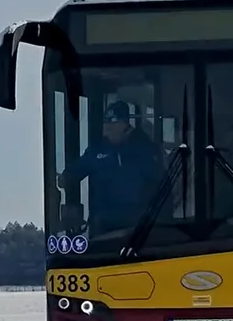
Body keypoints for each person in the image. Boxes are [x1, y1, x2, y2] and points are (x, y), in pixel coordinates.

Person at [58, 100, 165, 234]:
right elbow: (72, 173)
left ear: (125, 124)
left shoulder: (145, 149)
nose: (106, 129)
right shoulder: (97, 152)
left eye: (112, 123)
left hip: (139, 230)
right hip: (103, 229)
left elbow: (161, 182)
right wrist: (61, 180)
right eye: (105, 123)